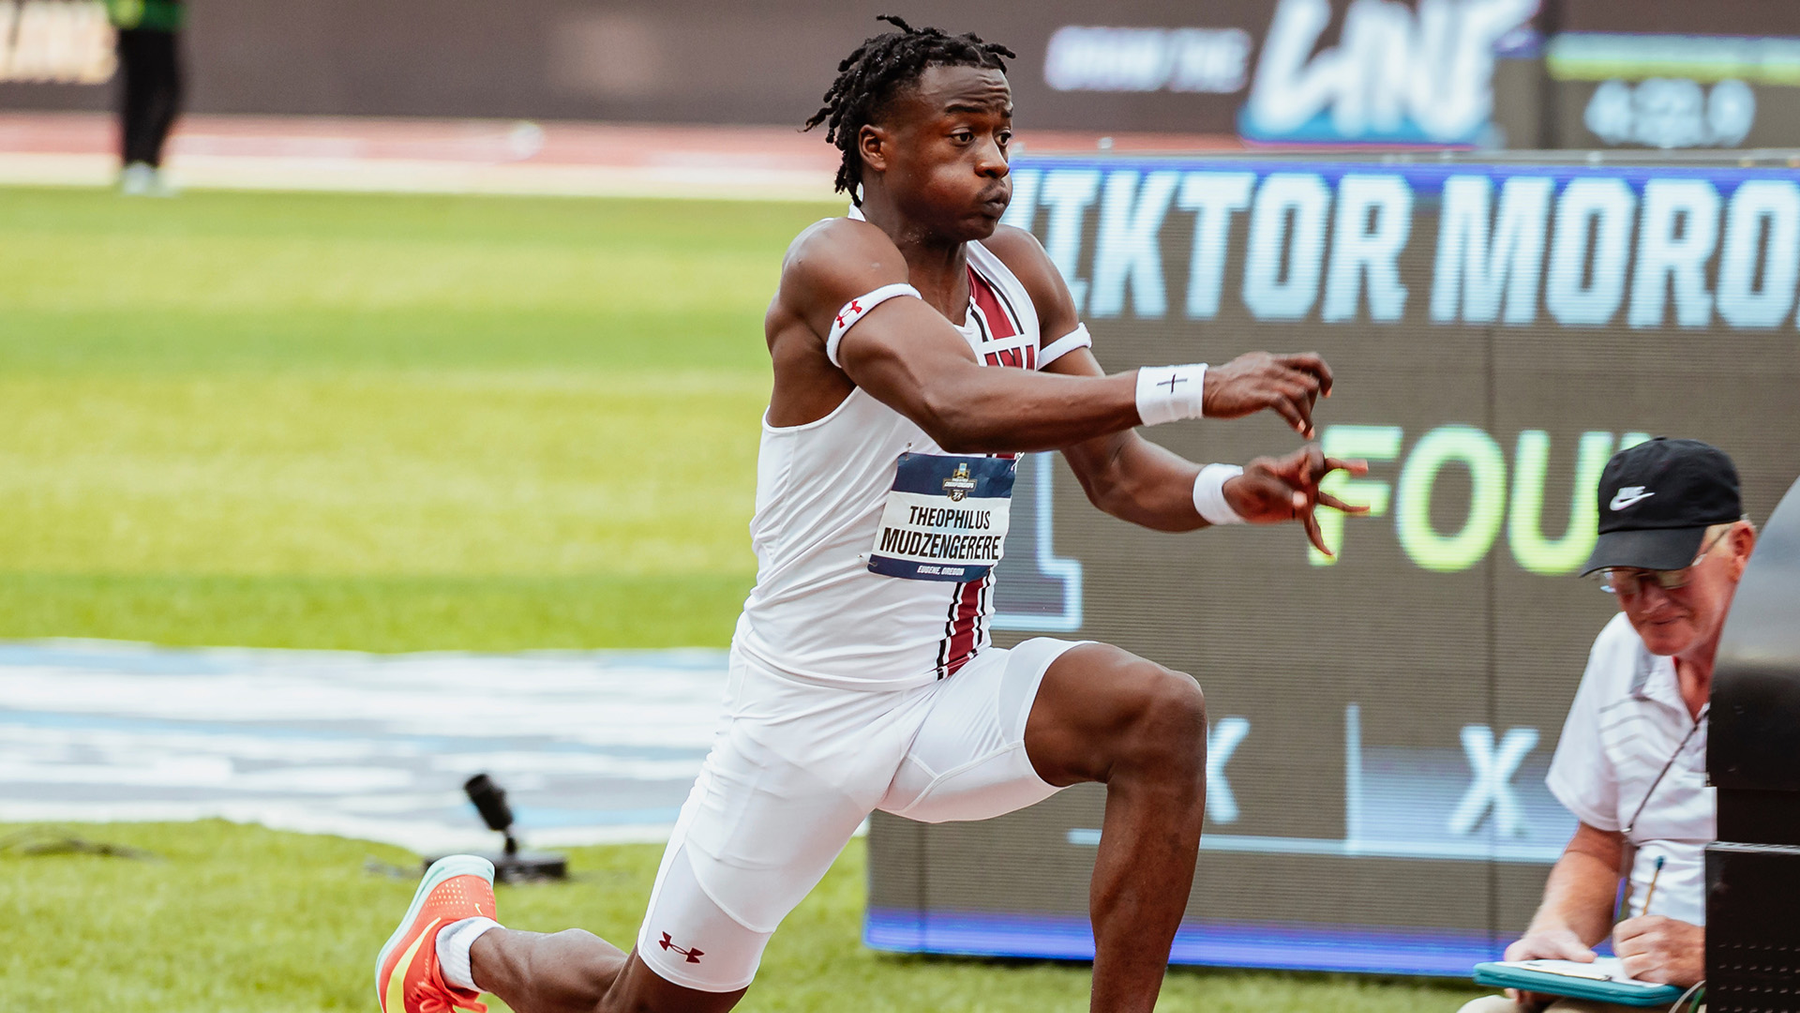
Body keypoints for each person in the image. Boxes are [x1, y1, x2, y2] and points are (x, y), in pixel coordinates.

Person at [375, 17, 1367, 1013]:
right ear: (877, 148)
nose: (994, 165)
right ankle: (462, 944)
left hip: (945, 696)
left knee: (1159, 712)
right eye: (962, 137)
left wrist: (1225, 492)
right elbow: (959, 401)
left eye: (1003, 139)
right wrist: (1199, 383)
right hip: (803, 716)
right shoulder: (831, 260)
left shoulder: (1018, 274)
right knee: (642, 1002)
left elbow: (1116, 475)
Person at [1458, 438, 1755, 1013]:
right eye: (1624, 577)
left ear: (1739, 548)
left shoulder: (1785, 664)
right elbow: (1597, 846)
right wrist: (1555, 936)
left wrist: (1724, 954)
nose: (1645, 602)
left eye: (1668, 572)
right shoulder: (1618, 650)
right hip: (1646, 990)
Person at [105, 0, 185, 196]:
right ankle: (140, 163)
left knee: (145, 89)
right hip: (145, 16)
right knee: (155, 90)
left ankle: (141, 163)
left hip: (148, 17)